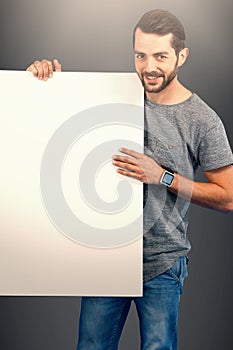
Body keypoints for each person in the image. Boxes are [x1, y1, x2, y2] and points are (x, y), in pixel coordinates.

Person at [27, 9, 233, 350]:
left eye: (160, 56)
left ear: (182, 55)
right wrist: (51, 88)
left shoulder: (203, 119)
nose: (148, 66)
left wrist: (163, 176)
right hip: (105, 256)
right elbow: (53, 127)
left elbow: (228, 197)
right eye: (140, 55)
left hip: (162, 263)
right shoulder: (112, 93)